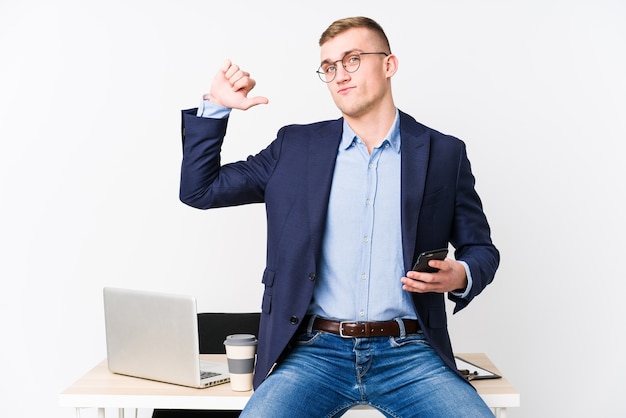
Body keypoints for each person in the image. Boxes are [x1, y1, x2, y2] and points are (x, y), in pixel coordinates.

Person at [179, 16, 499, 417]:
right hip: (314, 354)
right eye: (329, 67)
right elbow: (199, 190)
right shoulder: (294, 147)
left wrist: (461, 274)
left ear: (388, 64)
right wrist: (215, 109)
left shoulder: (443, 153)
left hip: (411, 354)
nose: (339, 75)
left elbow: (481, 248)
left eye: (352, 60)